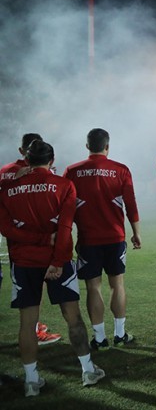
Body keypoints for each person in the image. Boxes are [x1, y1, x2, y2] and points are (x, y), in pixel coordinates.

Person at [0, 140, 104, 396]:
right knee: (73, 317)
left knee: (27, 323)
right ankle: (88, 370)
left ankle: (31, 381)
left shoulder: (8, 189)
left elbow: (6, 229)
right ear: (52, 160)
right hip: (58, 262)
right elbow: (65, 228)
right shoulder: (64, 185)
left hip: (24, 263)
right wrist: (57, 261)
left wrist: (37, 240)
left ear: (26, 159)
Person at [64, 128, 141, 350]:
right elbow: (131, 204)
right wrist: (136, 232)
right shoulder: (121, 170)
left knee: (93, 288)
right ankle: (120, 334)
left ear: (87, 146)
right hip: (115, 237)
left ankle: (99, 338)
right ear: (107, 146)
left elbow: (66, 206)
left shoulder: (72, 171)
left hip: (88, 239)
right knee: (117, 284)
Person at [0, 133, 61, 346]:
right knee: (36, 289)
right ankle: (33, 330)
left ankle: (33, 327)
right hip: (41, 244)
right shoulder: (41, 173)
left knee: (28, 289)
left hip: (17, 244)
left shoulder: (6, 171)